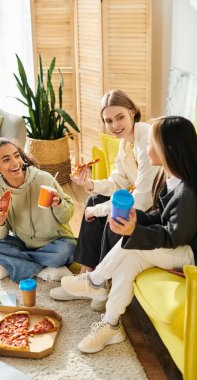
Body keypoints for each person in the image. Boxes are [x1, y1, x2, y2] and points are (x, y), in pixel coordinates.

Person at [60, 116, 197, 353]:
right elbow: (160, 217)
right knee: (131, 257)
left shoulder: (187, 192)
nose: (147, 148)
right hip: (173, 243)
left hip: (187, 254)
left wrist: (135, 231)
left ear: (169, 149)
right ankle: (111, 324)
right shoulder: (169, 179)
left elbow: (175, 237)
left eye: (151, 143)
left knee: (131, 243)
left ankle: (96, 280)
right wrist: (137, 219)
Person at [50, 89, 158, 305]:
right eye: (108, 120)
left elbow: (145, 198)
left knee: (103, 211)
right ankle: (88, 275)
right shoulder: (125, 143)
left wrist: (99, 210)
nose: (115, 125)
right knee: (94, 199)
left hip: (155, 208)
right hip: (141, 201)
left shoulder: (147, 137)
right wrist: (89, 184)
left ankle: (97, 283)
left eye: (120, 117)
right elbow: (118, 181)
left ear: (132, 112)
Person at [0, 138, 77, 284]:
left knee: (69, 248)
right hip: (24, 244)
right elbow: (0, 236)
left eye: (17, 156)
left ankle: (15, 264)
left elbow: (66, 217)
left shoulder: (44, 179)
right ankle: (43, 270)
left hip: (55, 243)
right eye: (6, 160)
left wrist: (59, 204)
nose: (15, 163)